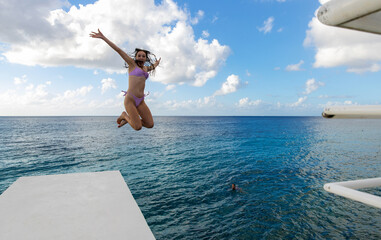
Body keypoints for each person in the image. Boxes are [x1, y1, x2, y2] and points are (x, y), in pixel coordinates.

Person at [90, 29, 161, 130]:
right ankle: (124, 116)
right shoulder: (132, 64)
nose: (141, 57)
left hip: (141, 100)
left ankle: (129, 120)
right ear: (136, 57)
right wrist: (103, 38)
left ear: (145, 58)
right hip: (130, 99)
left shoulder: (145, 68)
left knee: (150, 124)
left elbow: (152, 66)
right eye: (139, 56)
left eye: (143, 56)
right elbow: (118, 50)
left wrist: (157, 63)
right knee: (137, 127)